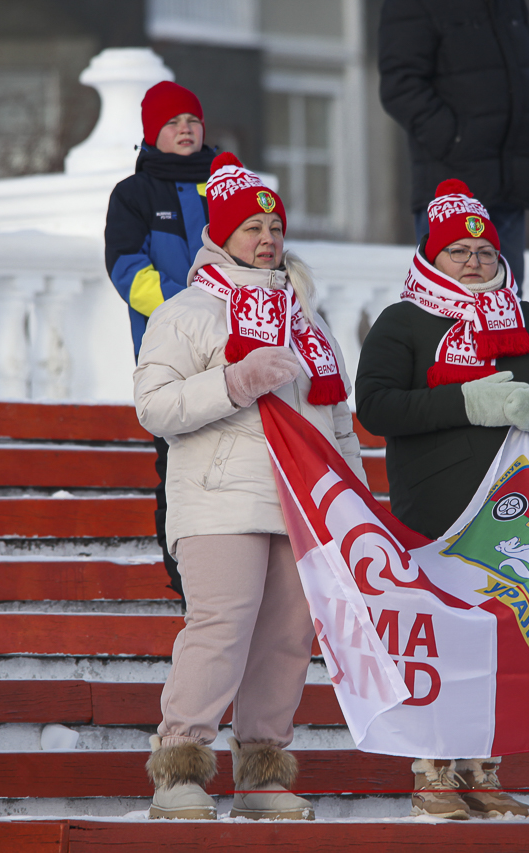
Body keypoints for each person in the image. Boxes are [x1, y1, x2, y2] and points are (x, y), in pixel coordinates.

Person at [134, 153, 365, 821]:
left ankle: (262, 771)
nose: (266, 239)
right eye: (250, 228)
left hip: (302, 505)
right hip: (219, 500)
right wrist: (234, 381)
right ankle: (179, 768)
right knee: (221, 628)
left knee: (287, 639)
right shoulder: (190, 311)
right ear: (221, 235)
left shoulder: (308, 320)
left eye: (274, 227)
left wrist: (355, 506)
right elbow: (153, 405)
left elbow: (338, 424)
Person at [356, 179, 529, 819]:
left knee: (501, 645)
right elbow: (375, 406)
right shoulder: (404, 320)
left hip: (516, 512)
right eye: (459, 251)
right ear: (432, 257)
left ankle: (481, 770)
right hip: (435, 512)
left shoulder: (527, 318)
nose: (474, 262)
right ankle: (433, 772)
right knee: (444, 645)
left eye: (483, 252)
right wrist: (465, 400)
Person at [105, 81, 215, 603]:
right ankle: (184, 577)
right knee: (175, 462)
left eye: (191, 121)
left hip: (235, 350)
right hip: (170, 354)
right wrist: (192, 309)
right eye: (172, 123)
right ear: (153, 133)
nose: (185, 130)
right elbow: (128, 272)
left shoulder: (228, 184)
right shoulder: (134, 195)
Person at [377, 0, 529, 288]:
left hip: (511, 186)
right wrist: (456, 140)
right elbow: (400, 85)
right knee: (449, 318)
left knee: (506, 316)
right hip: (452, 194)